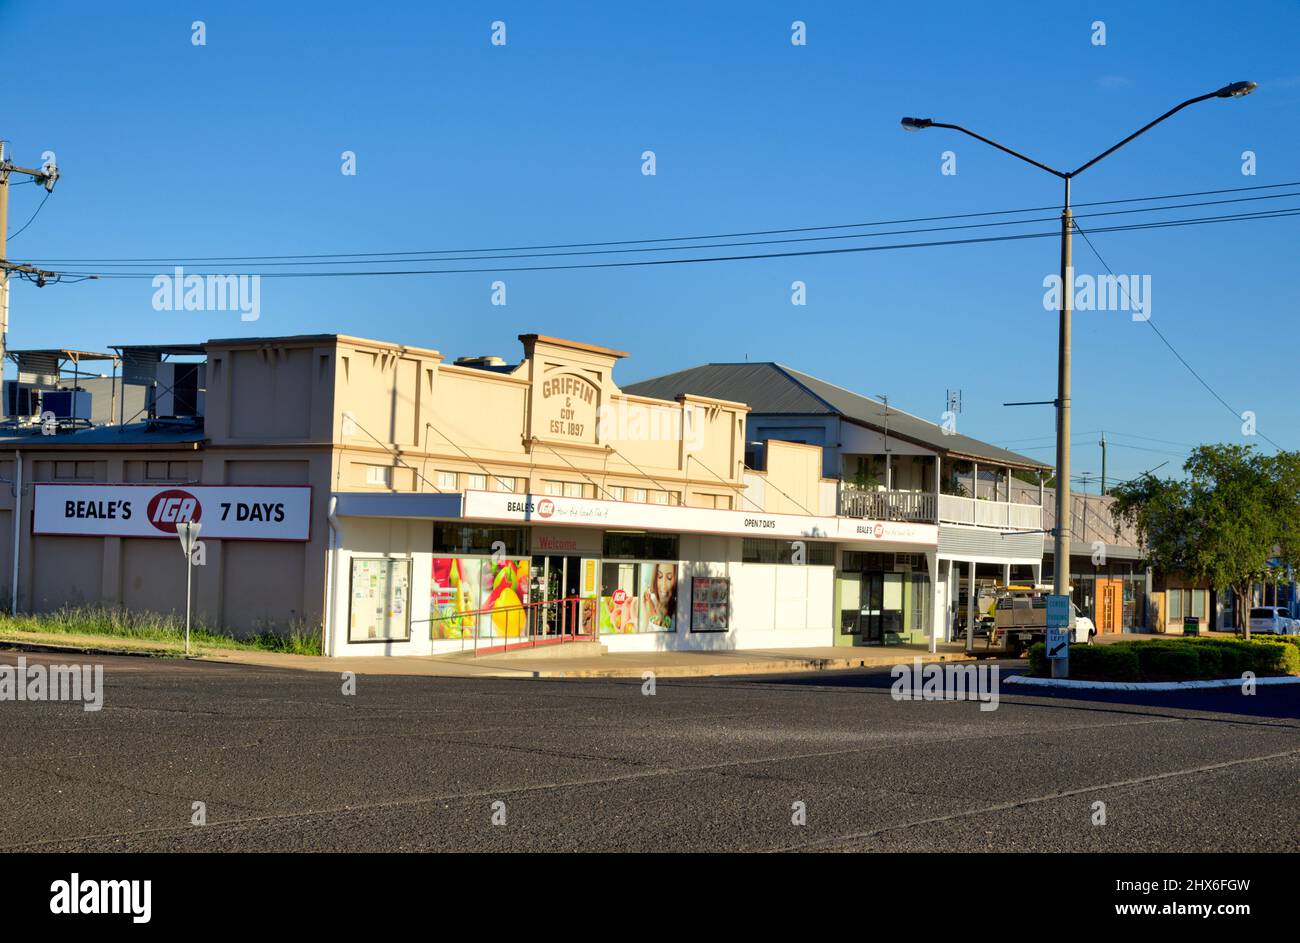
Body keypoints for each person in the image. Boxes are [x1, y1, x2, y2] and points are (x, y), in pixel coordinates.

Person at [643, 563, 678, 630]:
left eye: (669, 578)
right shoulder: (651, 600)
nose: (663, 586)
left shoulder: (678, 609)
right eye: (659, 576)